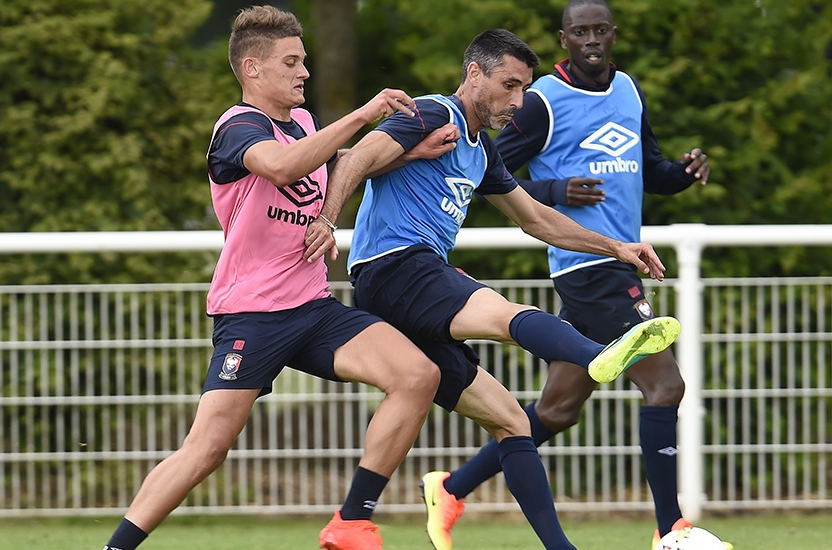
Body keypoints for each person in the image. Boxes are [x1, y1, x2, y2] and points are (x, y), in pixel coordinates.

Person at [304, 27, 682, 550]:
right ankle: (602, 353)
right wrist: (327, 220)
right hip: (394, 268)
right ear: (474, 74)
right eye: (509, 85)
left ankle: (352, 521)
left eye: (525, 88)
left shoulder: (481, 152)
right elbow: (353, 158)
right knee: (503, 313)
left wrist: (616, 247)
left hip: (409, 282)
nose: (518, 101)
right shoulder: (434, 113)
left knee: (511, 421)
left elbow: (537, 220)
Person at [99, 6, 460, 550]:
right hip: (252, 313)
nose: (304, 73)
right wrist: (364, 114)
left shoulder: (303, 125)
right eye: (291, 62)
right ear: (252, 69)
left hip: (313, 308)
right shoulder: (236, 128)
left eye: (305, 61)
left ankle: (352, 521)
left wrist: (407, 152)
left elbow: (330, 162)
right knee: (208, 448)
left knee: (416, 376)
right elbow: (285, 167)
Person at [426, 2, 730, 550]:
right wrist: (555, 190)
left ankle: (450, 488)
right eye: (580, 31)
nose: (591, 39)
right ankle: (671, 531)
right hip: (591, 268)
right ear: (564, 39)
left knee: (557, 409)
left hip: (615, 263)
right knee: (666, 387)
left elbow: (650, 171)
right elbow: (491, 169)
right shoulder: (541, 99)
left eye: (600, 30)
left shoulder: (628, 91)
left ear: (613, 36)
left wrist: (682, 173)